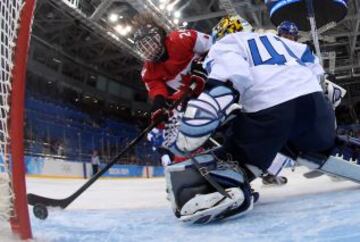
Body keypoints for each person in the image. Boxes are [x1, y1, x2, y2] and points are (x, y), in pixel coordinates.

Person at [164, 15, 347, 224]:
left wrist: (194, 126)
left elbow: (230, 79)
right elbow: (315, 68)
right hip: (317, 111)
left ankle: (230, 185)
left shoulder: (227, 43)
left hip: (272, 112)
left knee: (237, 149)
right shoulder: (283, 41)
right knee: (285, 137)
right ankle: (340, 149)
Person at [132, 14, 212, 165]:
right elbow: (158, 91)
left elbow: (213, 46)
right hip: (187, 95)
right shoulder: (148, 71)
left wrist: (201, 64)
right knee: (162, 124)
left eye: (150, 43)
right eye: (144, 47)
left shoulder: (181, 38)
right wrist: (159, 105)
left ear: (160, 37)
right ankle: (184, 156)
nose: (148, 49)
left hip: (211, 81)